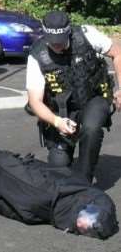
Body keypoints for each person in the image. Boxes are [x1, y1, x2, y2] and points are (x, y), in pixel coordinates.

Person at [26, 11, 121, 182]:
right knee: (58, 167)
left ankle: (84, 183)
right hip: (61, 110)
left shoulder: (86, 35)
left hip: (94, 98)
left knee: (91, 129)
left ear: (68, 31)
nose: (57, 46)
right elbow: (35, 101)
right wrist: (57, 122)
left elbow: (118, 53)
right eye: (52, 42)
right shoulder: (36, 55)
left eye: (61, 41)